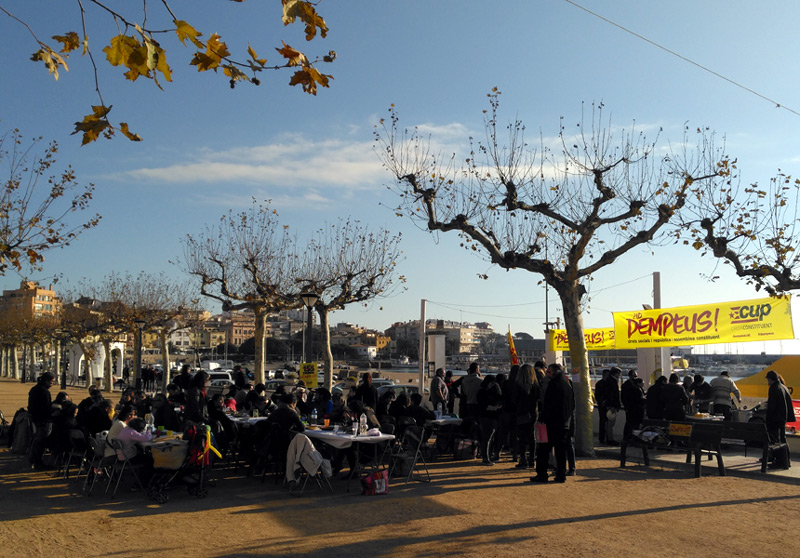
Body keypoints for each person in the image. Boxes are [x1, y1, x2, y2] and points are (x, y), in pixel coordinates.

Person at [530, 363, 574, 483]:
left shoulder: (552, 386)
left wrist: (542, 419)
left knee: (543, 450)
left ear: (553, 373)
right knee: (560, 451)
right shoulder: (567, 385)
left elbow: (548, 405)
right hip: (564, 422)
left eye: (548, 372)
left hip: (551, 423)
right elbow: (572, 404)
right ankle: (561, 474)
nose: (547, 374)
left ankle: (542, 474)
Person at [765, 370, 795, 469]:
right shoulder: (783, 387)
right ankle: (786, 460)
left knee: (776, 441)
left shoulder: (773, 388)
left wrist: (768, 419)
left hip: (775, 419)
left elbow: (772, 406)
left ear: (770, 379)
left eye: (767, 379)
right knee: (783, 439)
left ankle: (779, 462)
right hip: (783, 418)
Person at [513, 364, 540, 469]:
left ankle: (522, 460)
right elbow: (538, 398)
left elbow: (514, 400)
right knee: (532, 437)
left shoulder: (518, 385)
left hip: (521, 413)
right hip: (533, 413)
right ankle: (531, 459)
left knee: (522, 438)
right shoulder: (535, 385)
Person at [27, 372, 56, 469]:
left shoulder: (34, 389)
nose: (52, 384)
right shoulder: (44, 392)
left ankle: (33, 459)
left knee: (37, 440)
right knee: (41, 441)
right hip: (43, 419)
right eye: (52, 382)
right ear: (46, 381)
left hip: (35, 418)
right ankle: (37, 462)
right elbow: (46, 408)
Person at [476, 375, 502, 465]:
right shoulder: (496, 391)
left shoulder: (480, 392)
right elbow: (499, 401)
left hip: (483, 416)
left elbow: (481, 405)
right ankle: (487, 457)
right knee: (489, 437)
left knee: (486, 437)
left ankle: (485, 456)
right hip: (493, 416)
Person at [621, 369, 646, 440]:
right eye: (634, 376)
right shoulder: (635, 388)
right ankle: (631, 437)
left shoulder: (626, 385)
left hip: (630, 407)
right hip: (634, 408)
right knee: (633, 423)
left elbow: (623, 397)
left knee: (630, 423)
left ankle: (628, 437)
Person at [600, 367, 622, 445]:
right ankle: (610, 439)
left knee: (608, 423)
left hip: (608, 405)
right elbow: (613, 395)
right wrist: (614, 405)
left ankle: (608, 438)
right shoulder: (612, 382)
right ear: (616, 373)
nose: (619, 375)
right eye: (619, 373)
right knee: (610, 423)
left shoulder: (608, 381)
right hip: (611, 405)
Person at [594, 369, 609, 444]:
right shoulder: (608, 384)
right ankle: (605, 437)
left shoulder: (599, 383)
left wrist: (600, 401)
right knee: (606, 422)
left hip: (601, 405)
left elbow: (596, 395)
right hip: (604, 404)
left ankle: (602, 438)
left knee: (602, 421)